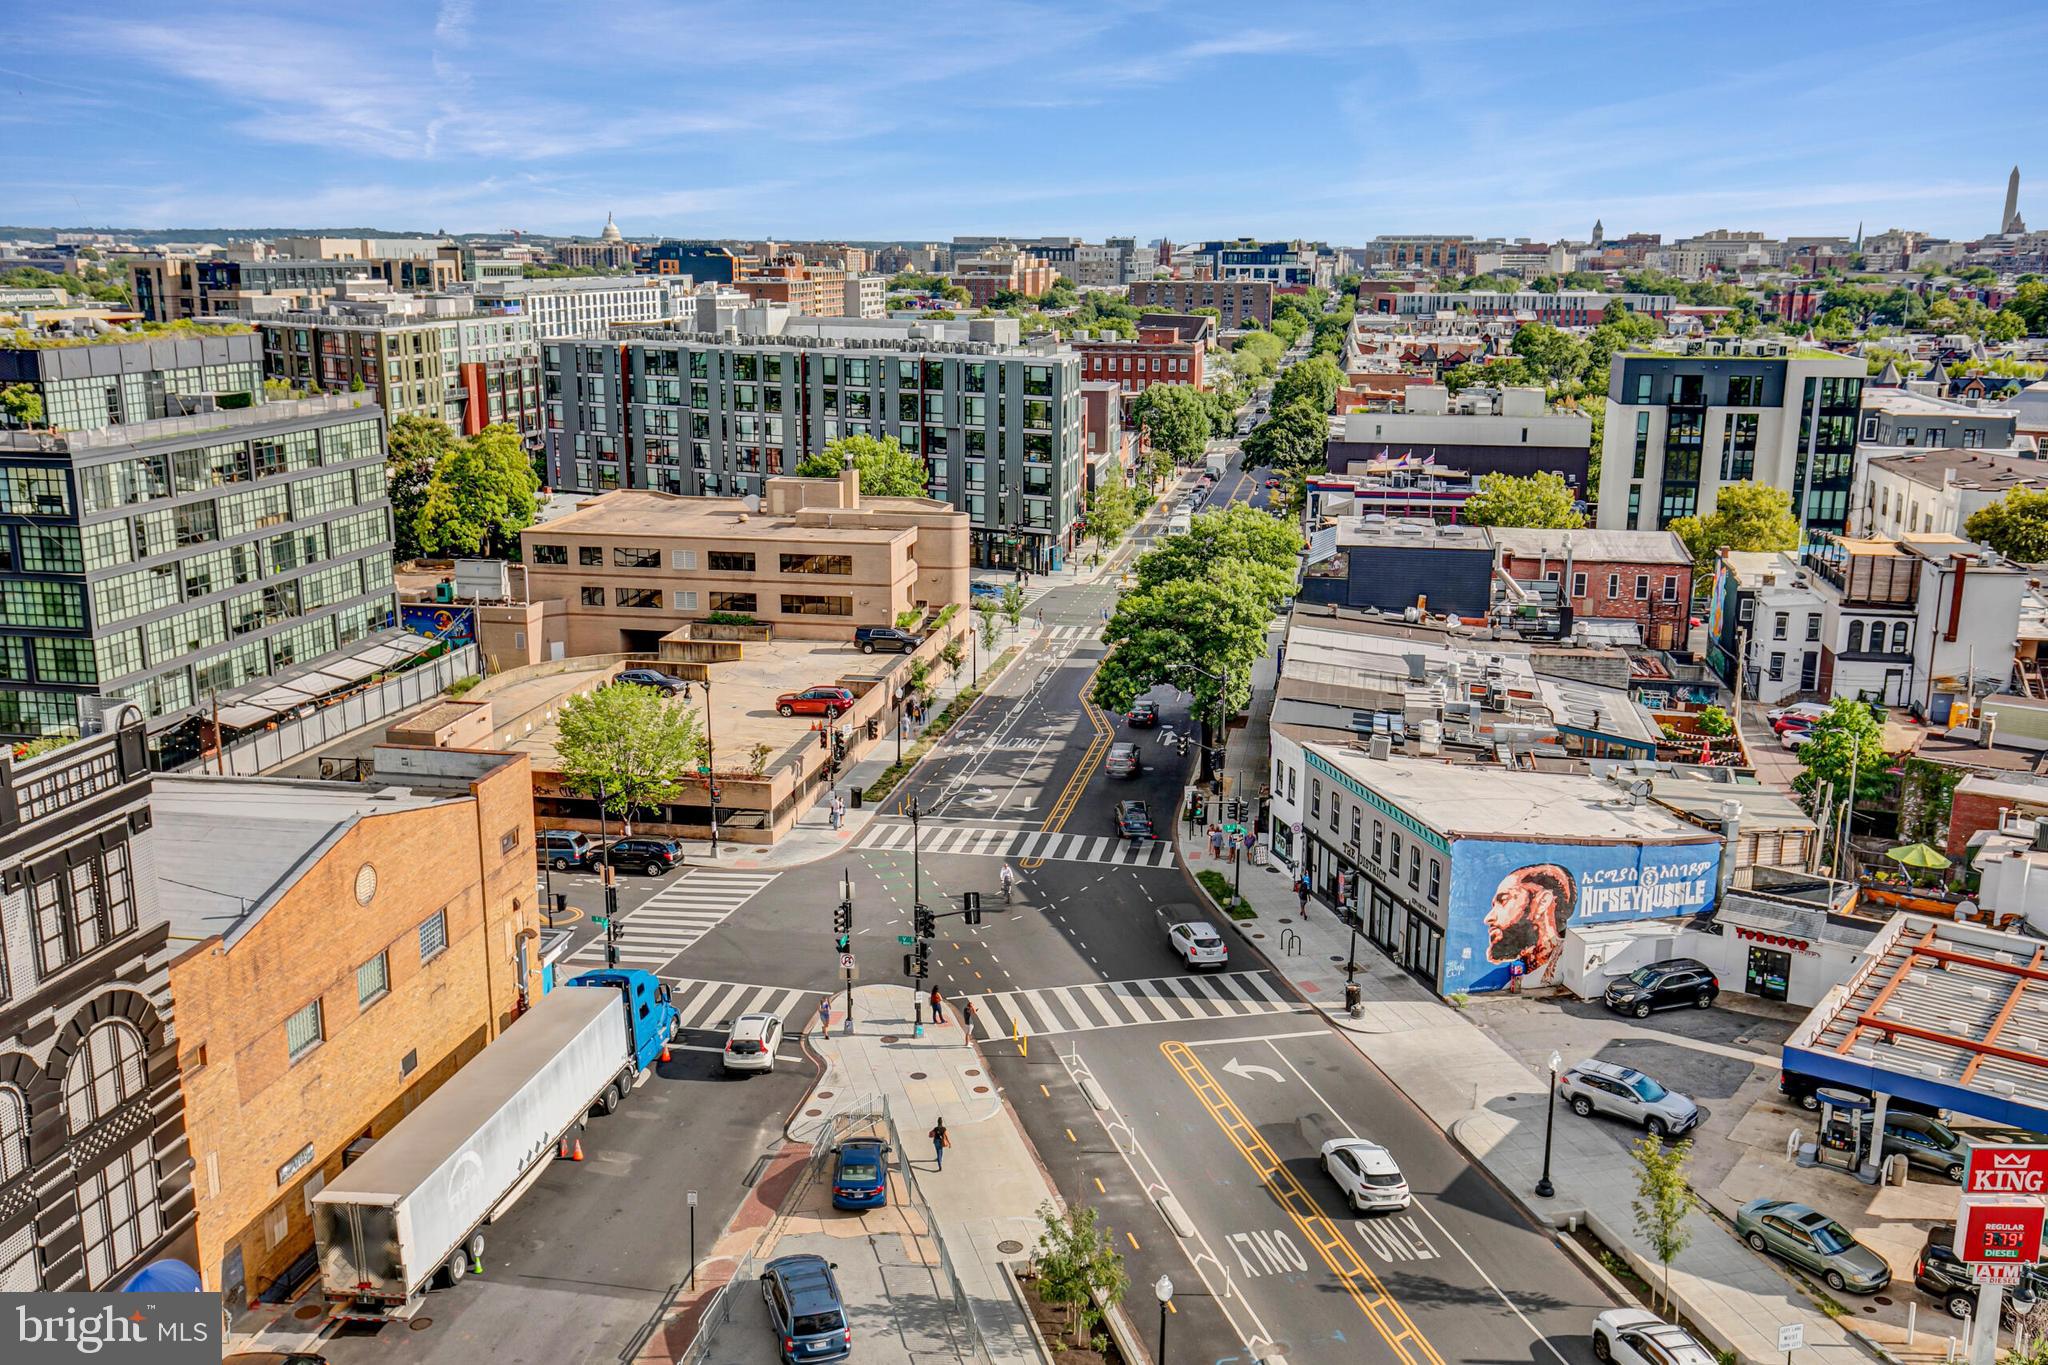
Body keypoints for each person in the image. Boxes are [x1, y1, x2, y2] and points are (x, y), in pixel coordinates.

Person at [1483, 862, 1577, 988]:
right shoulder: (1522, 974)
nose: (1488, 918)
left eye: (1503, 900)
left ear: (1542, 902)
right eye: (1494, 906)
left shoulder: (1568, 959)